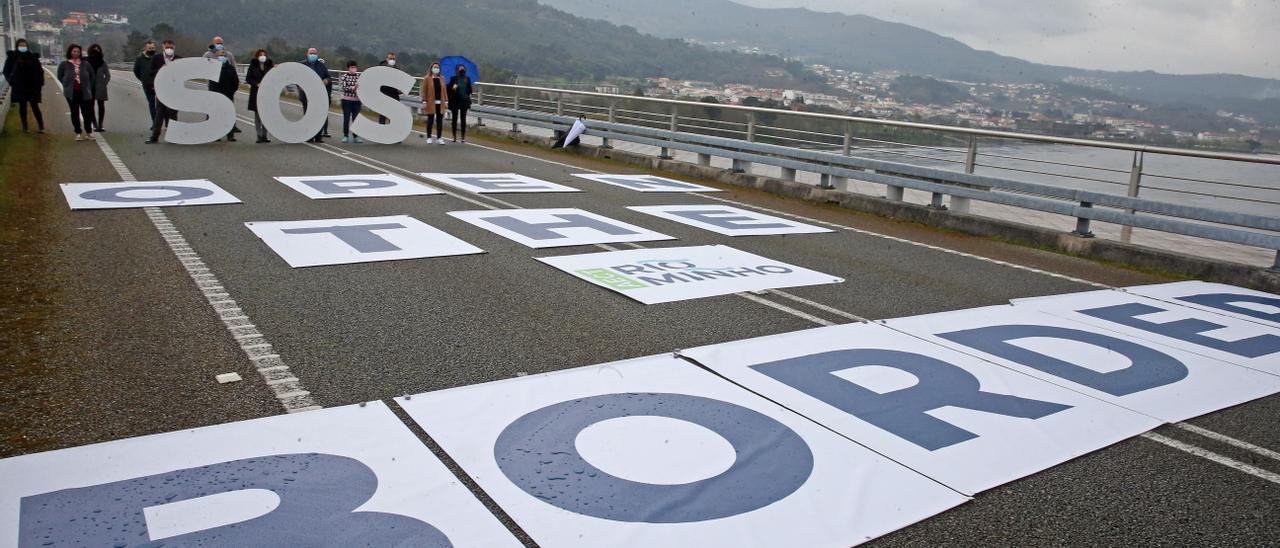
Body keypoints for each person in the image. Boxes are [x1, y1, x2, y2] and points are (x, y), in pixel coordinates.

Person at [3, 38, 46, 133]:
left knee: (35, 106)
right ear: (17, 46)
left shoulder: (33, 57)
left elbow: (40, 71)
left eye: (24, 45)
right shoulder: (12, 57)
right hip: (19, 86)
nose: (23, 47)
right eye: (21, 45)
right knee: (22, 107)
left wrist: (40, 82)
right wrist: (11, 81)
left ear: (27, 46)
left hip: (32, 86)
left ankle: (41, 126)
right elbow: (6, 71)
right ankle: (25, 127)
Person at [56, 43, 95, 141]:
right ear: (70, 52)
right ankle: (78, 132)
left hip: (84, 92)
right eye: (74, 51)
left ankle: (89, 132)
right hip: (72, 93)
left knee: (87, 112)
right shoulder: (64, 64)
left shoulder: (85, 64)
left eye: (78, 52)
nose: (76, 53)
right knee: (74, 112)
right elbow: (60, 75)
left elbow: (92, 75)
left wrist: (88, 86)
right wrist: (66, 85)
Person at [146, 40, 180, 144]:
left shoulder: (179, 59)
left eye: (171, 47)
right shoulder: (156, 58)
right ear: (163, 47)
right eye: (167, 47)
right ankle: (155, 136)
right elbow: (150, 72)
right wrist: (160, 70)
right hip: (162, 89)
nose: (169, 49)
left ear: (174, 47)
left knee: (173, 114)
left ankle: (173, 136)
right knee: (159, 113)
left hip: (174, 90)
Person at [300, 48, 329, 143]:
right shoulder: (301, 64)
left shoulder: (321, 65)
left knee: (318, 116)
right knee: (308, 115)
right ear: (307, 54)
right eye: (311, 53)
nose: (313, 55)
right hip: (306, 94)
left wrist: (326, 80)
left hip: (318, 94)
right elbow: (294, 75)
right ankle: (308, 136)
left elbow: (328, 76)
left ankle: (318, 136)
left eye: (314, 53)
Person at [210, 50, 240, 141]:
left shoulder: (231, 68)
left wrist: (232, 91)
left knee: (228, 115)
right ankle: (217, 135)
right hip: (217, 94)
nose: (222, 56)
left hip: (228, 94)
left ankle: (230, 136)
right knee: (217, 115)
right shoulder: (213, 68)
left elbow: (236, 81)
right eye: (220, 54)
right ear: (216, 56)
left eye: (223, 54)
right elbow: (211, 82)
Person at [246, 48, 274, 143]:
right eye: (261, 55)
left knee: (266, 115)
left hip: (267, 93)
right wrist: (256, 84)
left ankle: (265, 135)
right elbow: (248, 78)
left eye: (264, 55)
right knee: (258, 115)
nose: (263, 56)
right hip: (256, 92)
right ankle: (259, 135)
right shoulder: (253, 65)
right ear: (257, 56)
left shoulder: (269, 65)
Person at [420, 62, 447, 144]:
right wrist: (424, 101)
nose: (436, 69)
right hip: (431, 102)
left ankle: (439, 138)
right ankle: (429, 137)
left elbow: (444, 90)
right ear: (431, 68)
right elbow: (424, 91)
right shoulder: (427, 78)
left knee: (439, 121)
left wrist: (446, 101)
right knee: (430, 120)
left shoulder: (442, 78)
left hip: (440, 102)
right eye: (435, 67)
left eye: (438, 67)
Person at [85, 44, 110, 132]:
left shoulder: (102, 62)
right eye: (94, 49)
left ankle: (101, 124)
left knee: (101, 105)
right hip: (89, 87)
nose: (96, 51)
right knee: (90, 105)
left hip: (100, 87)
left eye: (98, 49)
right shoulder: (86, 62)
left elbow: (107, 75)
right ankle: (94, 123)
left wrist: (104, 84)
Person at [132, 40, 158, 122]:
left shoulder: (158, 57)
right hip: (147, 85)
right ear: (145, 48)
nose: (151, 50)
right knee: (152, 104)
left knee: (161, 105)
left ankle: (160, 122)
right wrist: (143, 79)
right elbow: (136, 71)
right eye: (149, 48)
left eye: (153, 48)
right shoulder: (140, 59)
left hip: (158, 85)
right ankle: (155, 122)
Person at [338, 60, 363, 144]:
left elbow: (362, 87)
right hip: (346, 100)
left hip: (357, 101)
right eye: (352, 67)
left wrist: (356, 89)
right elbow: (344, 87)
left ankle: (356, 136)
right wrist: (353, 88)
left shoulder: (359, 77)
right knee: (346, 118)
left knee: (355, 119)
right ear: (348, 68)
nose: (354, 69)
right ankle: (345, 135)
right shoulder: (344, 76)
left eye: (355, 67)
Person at [447, 64, 473, 143]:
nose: (462, 70)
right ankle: (454, 136)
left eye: (463, 69)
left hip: (464, 101)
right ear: (457, 70)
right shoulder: (453, 79)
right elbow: (448, 90)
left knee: (463, 119)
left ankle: (463, 137)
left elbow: (470, 90)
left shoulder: (467, 79)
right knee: (454, 119)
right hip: (455, 101)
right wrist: (453, 88)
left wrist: (468, 93)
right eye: (460, 69)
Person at [377, 52, 400, 125]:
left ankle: (392, 129)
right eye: (390, 58)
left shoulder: (397, 68)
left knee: (394, 114)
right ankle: (381, 129)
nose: (392, 60)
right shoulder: (381, 67)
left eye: (393, 59)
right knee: (383, 113)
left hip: (394, 93)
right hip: (384, 93)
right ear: (387, 59)